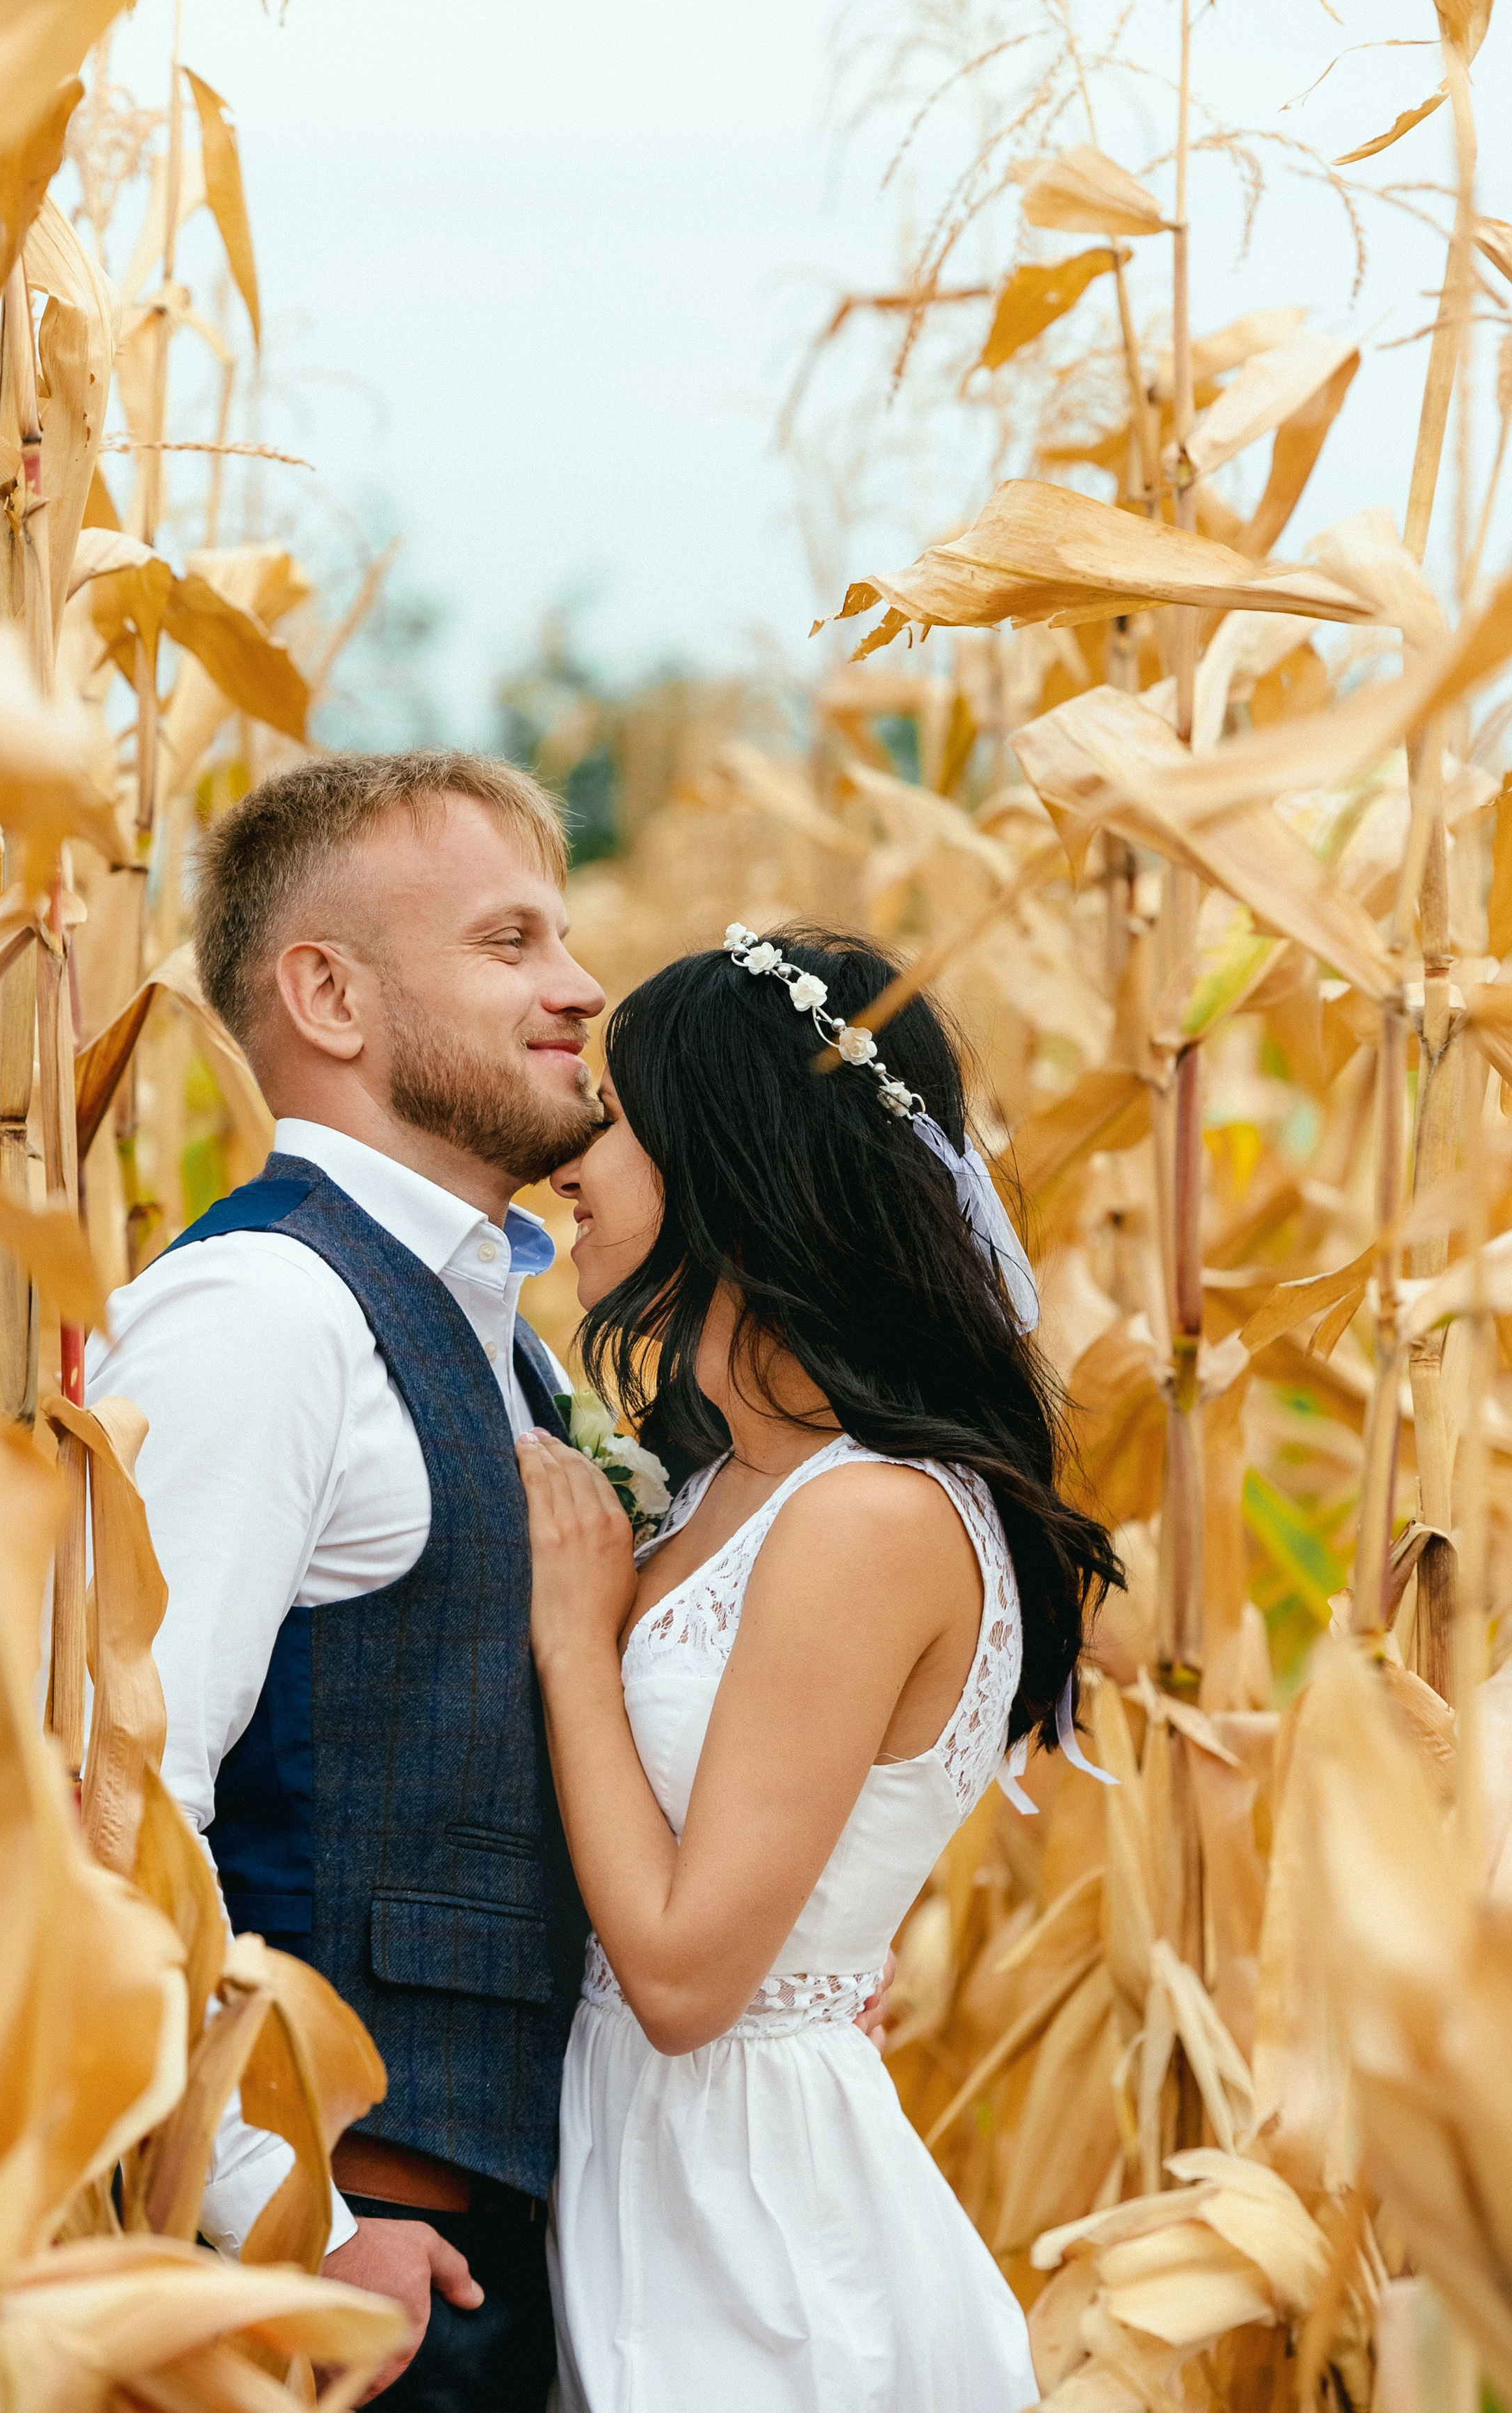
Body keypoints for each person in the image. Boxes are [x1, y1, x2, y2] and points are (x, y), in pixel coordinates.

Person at [515, 923, 1124, 2413]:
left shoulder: (869, 1517)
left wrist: (573, 1638)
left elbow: (683, 1976)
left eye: (615, 1119)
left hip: (749, 2226)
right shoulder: (722, 1479)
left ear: (730, 1157)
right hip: (638, 2161)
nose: (568, 1160)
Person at [87, 750, 607, 2408]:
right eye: (509, 941)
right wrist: (283, 2214)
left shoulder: (495, 1336)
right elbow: (107, 1788)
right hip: (348, 2284)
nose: (578, 986)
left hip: (487, 2256)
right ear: (327, 995)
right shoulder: (264, 1313)